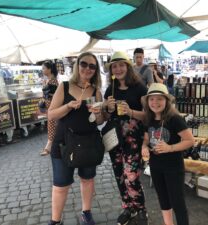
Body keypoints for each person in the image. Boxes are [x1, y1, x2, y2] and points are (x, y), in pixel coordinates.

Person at [48, 52, 104, 225]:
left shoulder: (96, 91)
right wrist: (68, 106)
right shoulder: (64, 86)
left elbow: (100, 121)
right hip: (64, 143)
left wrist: (98, 113)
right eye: (84, 64)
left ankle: (86, 212)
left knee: (87, 179)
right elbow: (51, 114)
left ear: (95, 70)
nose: (87, 68)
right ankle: (55, 221)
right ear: (77, 65)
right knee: (61, 184)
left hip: (88, 142)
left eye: (92, 66)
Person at [103, 51, 148, 225]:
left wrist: (130, 112)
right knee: (119, 174)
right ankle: (128, 207)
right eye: (115, 66)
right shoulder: (110, 89)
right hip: (115, 139)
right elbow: (106, 117)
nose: (118, 68)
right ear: (111, 70)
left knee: (132, 175)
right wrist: (107, 108)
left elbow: (148, 115)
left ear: (128, 67)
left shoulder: (139, 87)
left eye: (122, 65)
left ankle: (141, 208)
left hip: (133, 138)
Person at [141, 83, 195, 225]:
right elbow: (146, 139)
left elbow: (190, 140)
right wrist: (144, 147)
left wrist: (170, 148)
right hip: (155, 165)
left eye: (160, 99)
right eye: (152, 99)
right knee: (163, 199)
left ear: (166, 101)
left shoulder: (174, 119)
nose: (155, 103)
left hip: (173, 167)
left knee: (177, 202)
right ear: (147, 102)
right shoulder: (149, 118)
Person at [40, 60, 59, 156]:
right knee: (52, 125)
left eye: (44, 68)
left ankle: (49, 146)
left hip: (53, 107)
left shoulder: (53, 81)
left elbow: (55, 96)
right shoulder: (48, 80)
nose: (42, 70)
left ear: (49, 69)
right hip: (49, 107)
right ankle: (52, 144)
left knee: (52, 125)